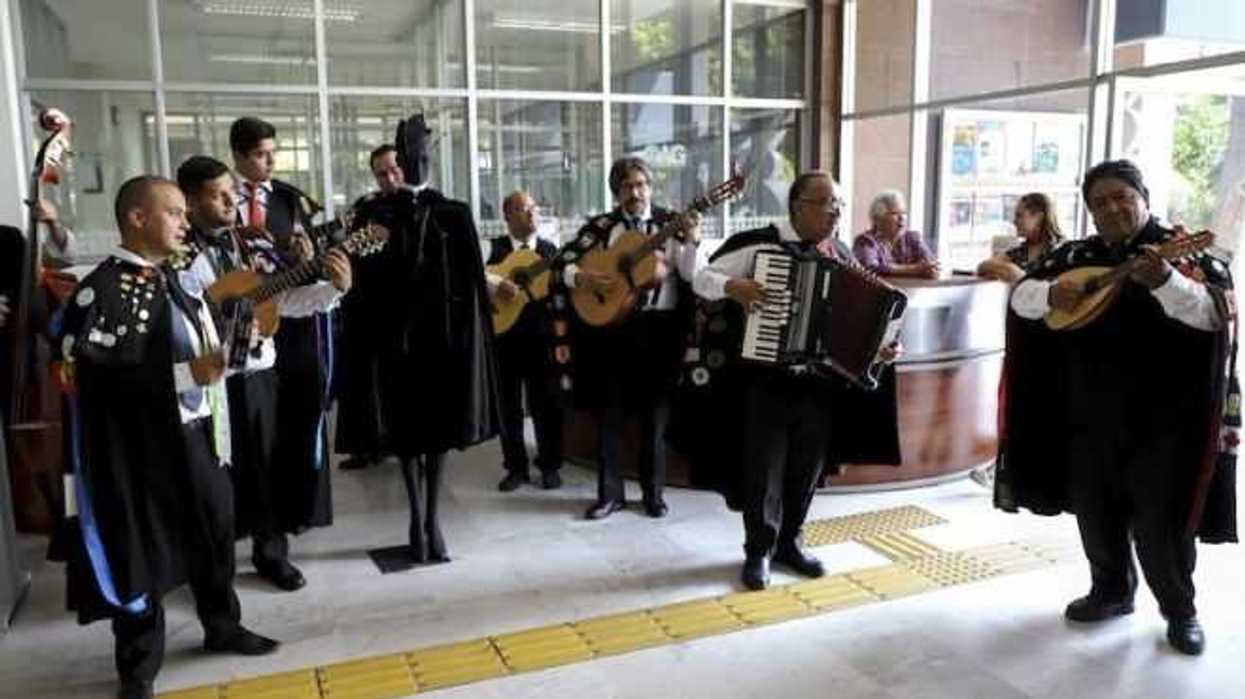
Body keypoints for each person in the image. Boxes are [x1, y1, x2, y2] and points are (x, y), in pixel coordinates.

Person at [998, 159, 1237, 656]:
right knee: (1095, 507)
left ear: (1144, 197)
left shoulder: (1184, 248)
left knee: (1160, 522)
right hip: (1088, 410)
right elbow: (1022, 298)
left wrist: (1166, 281)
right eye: (1100, 202)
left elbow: (1217, 313)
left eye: (1121, 197)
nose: (1112, 208)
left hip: (1165, 418)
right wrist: (1051, 292)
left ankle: (1179, 611)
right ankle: (1110, 590)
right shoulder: (1077, 254)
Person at [54, 176, 278, 699]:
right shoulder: (103, 289)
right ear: (137, 218)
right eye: (174, 213)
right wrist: (187, 375)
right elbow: (98, 380)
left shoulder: (177, 276)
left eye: (182, 213)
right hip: (140, 452)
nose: (184, 222)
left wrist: (234, 351)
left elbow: (196, 345)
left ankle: (222, 624)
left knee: (215, 528)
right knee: (143, 548)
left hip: (201, 433)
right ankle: (138, 667)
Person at [685, 171, 901, 590]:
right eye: (826, 203)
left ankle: (791, 543)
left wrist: (881, 350)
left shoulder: (837, 252)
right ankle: (758, 551)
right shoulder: (760, 243)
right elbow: (702, 278)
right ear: (798, 206)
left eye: (838, 203)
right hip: (765, 378)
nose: (835, 211)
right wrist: (736, 287)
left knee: (807, 468)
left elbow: (863, 318)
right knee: (762, 471)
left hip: (819, 383)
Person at [173, 155, 350, 592]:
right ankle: (214, 574)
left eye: (232, 191)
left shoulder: (248, 244)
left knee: (269, 465)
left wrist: (332, 288)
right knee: (217, 479)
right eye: (219, 195)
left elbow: (281, 303)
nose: (233, 200)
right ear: (191, 202)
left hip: (259, 376)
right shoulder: (176, 255)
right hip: (211, 384)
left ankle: (272, 553)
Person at [372, 113, 502, 563]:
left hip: (445, 341)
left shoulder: (454, 212)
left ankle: (431, 517)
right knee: (406, 430)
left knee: (440, 431)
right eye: (407, 154)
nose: (414, 161)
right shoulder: (375, 214)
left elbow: (472, 281)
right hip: (395, 343)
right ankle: (415, 516)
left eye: (421, 153)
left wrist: (475, 343)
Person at [558, 157, 705, 520]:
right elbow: (564, 265)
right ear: (616, 192)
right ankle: (610, 495)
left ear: (650, 188)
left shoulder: (671, 223)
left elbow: (692, 275)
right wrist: (585, 279)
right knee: (610, 417)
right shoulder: (601, 227)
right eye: (626, 186)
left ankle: (653, 495)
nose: (635, 192)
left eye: (641, 185)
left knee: (656, 419)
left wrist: (694, 240)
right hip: (613, 334)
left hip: (661, 333)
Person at [229, 117, 339, 587]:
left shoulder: (291, 200)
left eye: (273, 152)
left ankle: (273, 546)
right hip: (231, 337)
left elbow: (313, 269)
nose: (269, 161)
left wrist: (311, 261)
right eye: (259, 154)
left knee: (286, 437)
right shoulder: (215, 200)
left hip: (292, 334)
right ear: (237, 156)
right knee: (235, 443)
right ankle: (218, 541)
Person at [484, 191, 564, 492]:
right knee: (508, 407)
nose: (530, 213)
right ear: (507, 216)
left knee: (546, 404)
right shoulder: (494, 250)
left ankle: (550, 466)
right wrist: (495, 283)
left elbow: (560, 292)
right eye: (521, 209)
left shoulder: (550, 251)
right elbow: (470, 273)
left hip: (541, 339)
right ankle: (515, 468)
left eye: (533, 207)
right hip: (503, 338)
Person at [334, 144, 405, 471]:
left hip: (406, 308)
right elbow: (348, 248)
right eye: (382, 173)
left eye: (394, 169)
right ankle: (365, 446)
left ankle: (401, 441)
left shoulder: (425, 206)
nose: (390, 178)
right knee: (361, 378)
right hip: (364, 303)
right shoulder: (365, 207)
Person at [976, 192, 1064, 283]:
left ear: (1038, 217)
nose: (1014, 222)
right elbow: (982, 266)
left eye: (1019, 216)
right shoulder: (1020, 252)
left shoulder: (1063, 251)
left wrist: (1021, 278)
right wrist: (1011, 270)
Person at [852, 190, 939, 278]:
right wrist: (914, 269)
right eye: (895, 213)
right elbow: (870, 268)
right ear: (878, 218)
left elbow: (930, 263)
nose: (902, 218)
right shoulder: (865, 241)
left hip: (912, 290)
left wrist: (929, 269)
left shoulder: (912, 238)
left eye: (904, 213)